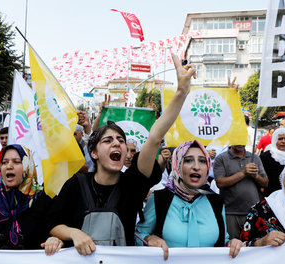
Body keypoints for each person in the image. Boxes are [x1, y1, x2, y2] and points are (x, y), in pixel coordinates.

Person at [46, 52, 196, 256]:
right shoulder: (76, 184)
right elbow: (54, 224)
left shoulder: (132, 184)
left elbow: (154, 136)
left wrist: (181, 93)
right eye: (108, 140)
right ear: (94, 152)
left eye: (121, 141)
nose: (117, 144)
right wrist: (73, 233)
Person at [135, 140, 244, 259]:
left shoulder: (216, 201)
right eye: (188, 160)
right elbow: (139, 235)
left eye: (202, 161)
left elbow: (223, 240)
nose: (196, 167)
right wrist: (148, 238)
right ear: (177, 165)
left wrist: (231, 243)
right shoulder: (159, 199)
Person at [214, 145, 268, 239]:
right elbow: (220, 183)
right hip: (230, 213)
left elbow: (265, 183)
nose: (240, 143)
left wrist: (256, 176)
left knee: (253, 244)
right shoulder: (221, 158)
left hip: (253, 212)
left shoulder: (254, 157)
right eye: (237, 139)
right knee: (232, 245)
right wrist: (243, 173)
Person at [260, 128, 285, 197]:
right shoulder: (266, 156)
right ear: (274, 140)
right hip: (270, 194)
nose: (283, 141)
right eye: (280, 139)